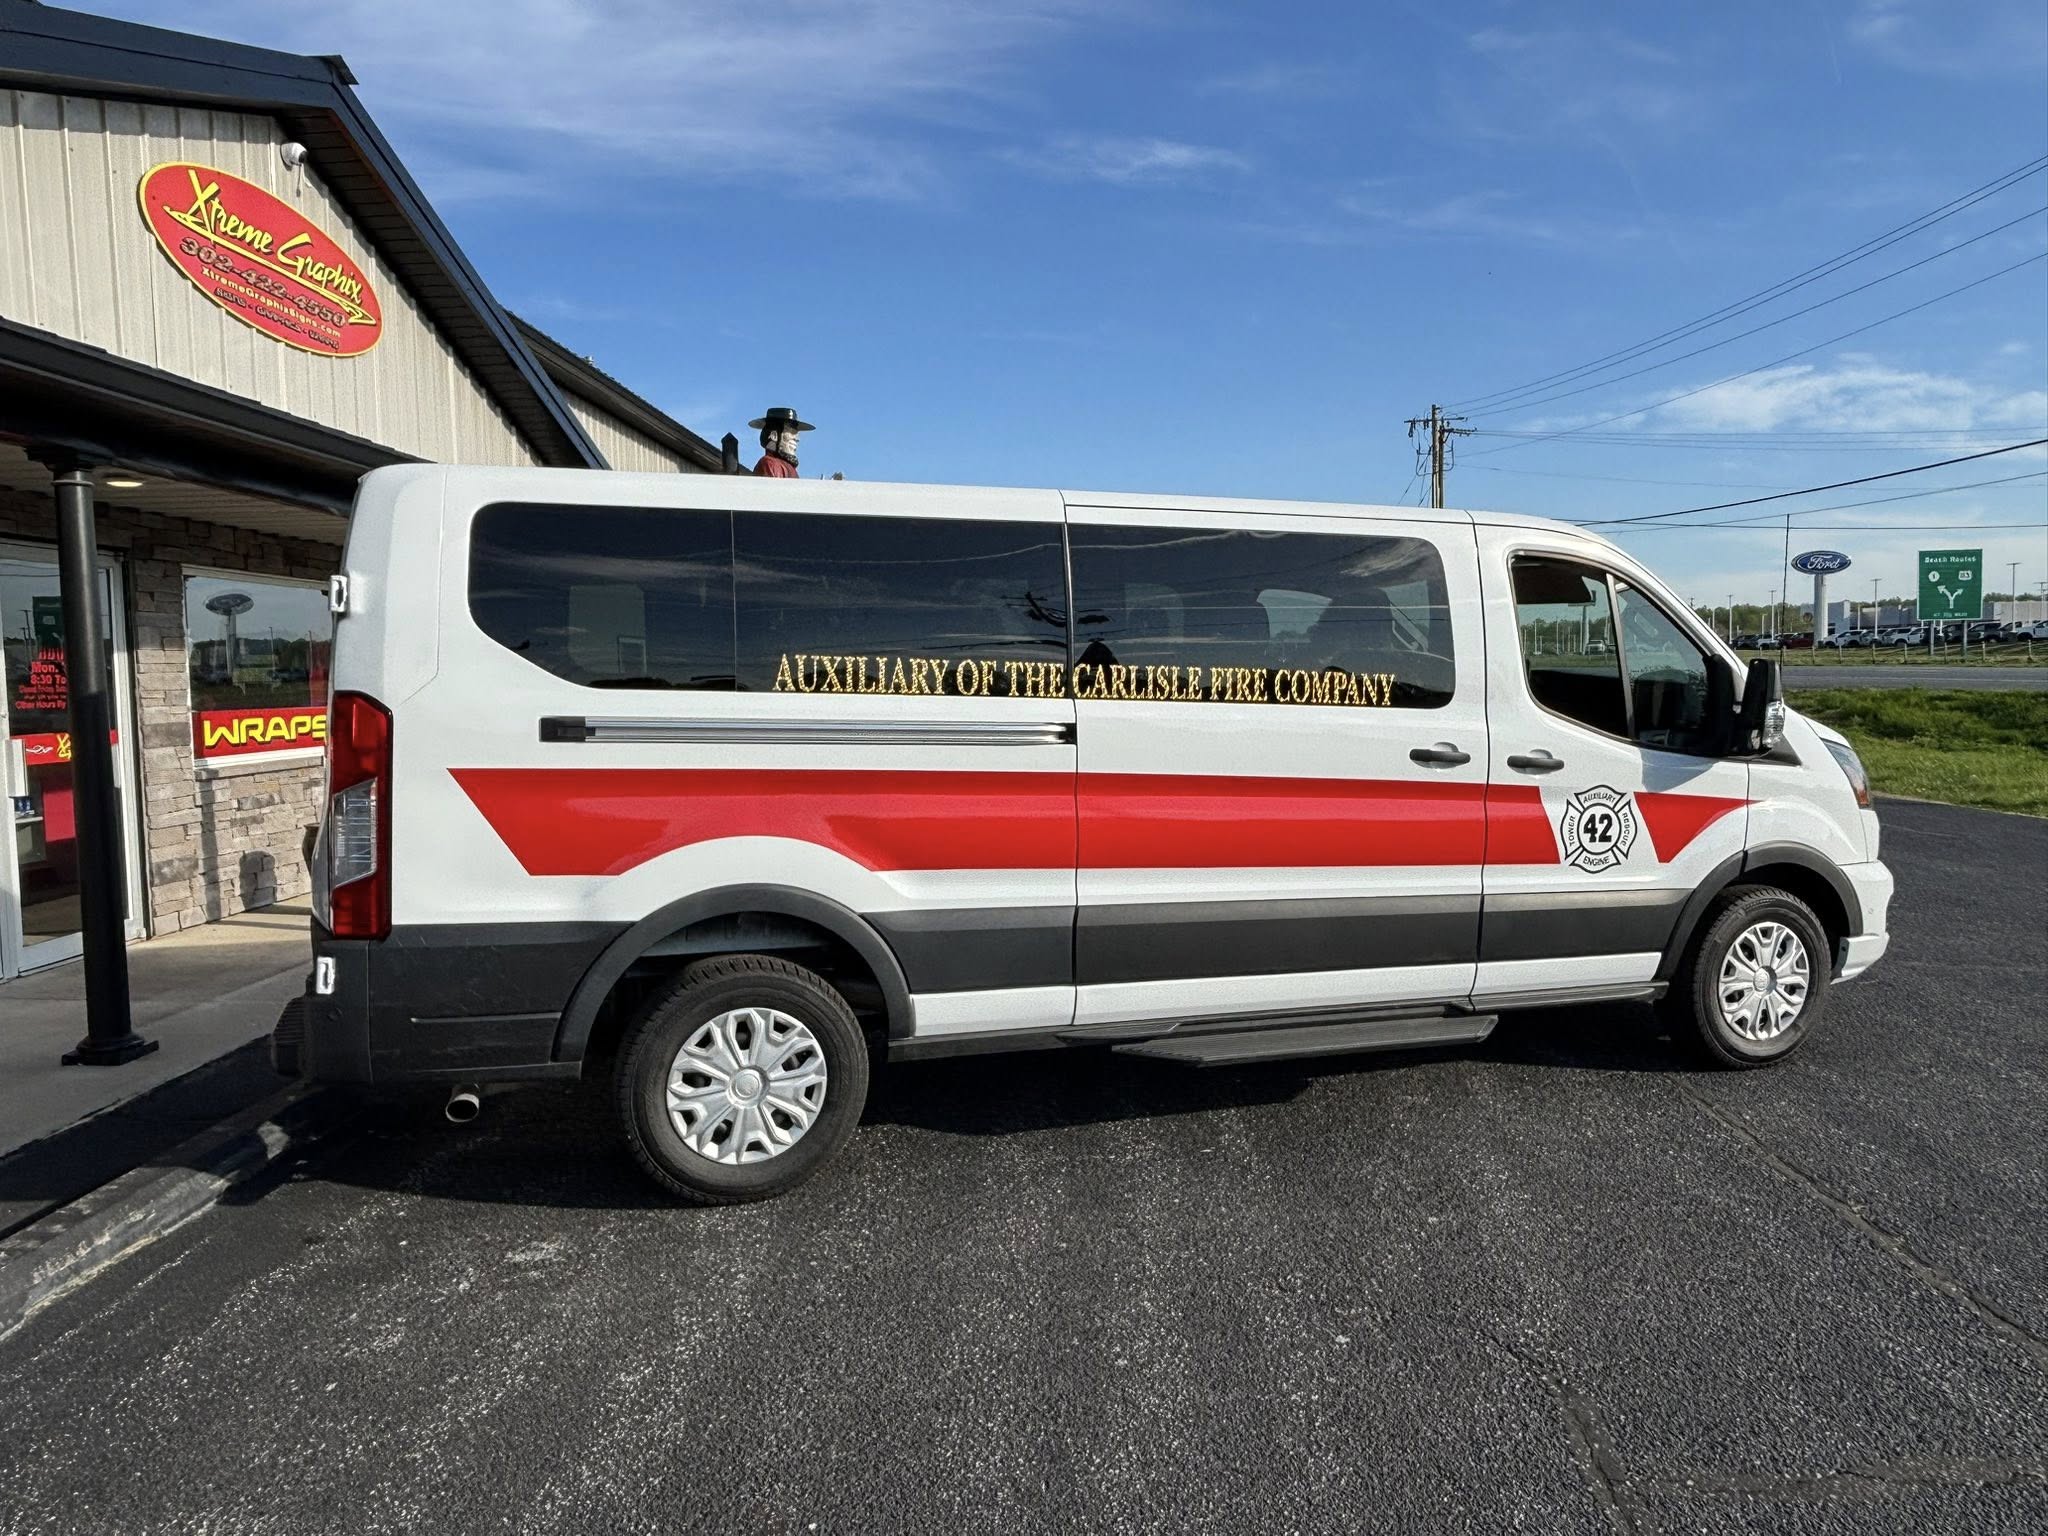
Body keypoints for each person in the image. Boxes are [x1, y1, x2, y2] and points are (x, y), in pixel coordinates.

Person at [749, 407, 812, 478]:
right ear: (774, 436)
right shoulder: (770, 464)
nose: (797, 439)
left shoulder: (789, 468)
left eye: (796, 434)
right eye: (791, 432)